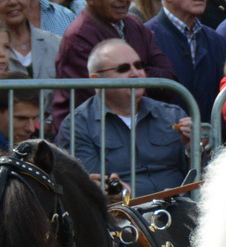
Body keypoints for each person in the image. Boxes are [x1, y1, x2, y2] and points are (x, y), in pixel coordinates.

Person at [50, 0, 176, 128]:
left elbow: (167, 78)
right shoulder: (79, 36)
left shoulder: (133, 24)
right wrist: (144, 79)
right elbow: (100, 100)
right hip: (91, 138)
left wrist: (124, 79)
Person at [63, 39, 194, 195]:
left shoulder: (172, 114)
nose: (135, 73)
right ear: (97, 81)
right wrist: (112, 194)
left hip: (181, 209)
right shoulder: (78, 124)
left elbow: (200, 174)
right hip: (123, 215)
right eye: (123, 68)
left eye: (139, 65)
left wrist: (193, 148)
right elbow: (91, 186)